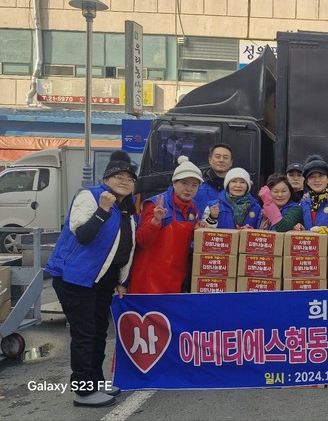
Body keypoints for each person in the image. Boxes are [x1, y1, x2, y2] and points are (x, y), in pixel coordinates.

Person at [46, 151, 137, 407]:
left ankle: (95, 381)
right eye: (118, 176)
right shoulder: (90, 196)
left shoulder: (126, 210)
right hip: (76, 279)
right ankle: (83, 391)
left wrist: (122, 280)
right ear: (106, 179)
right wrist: (103, 209)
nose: (124, 181)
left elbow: (125, 249)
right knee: (85, 335)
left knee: (98, 333)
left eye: (129, 178)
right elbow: (84, 236)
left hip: (103, 281)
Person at [129, 156, 203, 294]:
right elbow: (142, 241)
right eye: (184, 183)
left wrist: (197, 232)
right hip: (149, 277)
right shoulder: (155, 204)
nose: (189, 189)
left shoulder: (194, 207)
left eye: (194, 185)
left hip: (177, 275)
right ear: (174, 183)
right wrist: (155, 221)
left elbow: (187, 243)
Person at [193, 143, 233, 212]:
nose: (221, 160)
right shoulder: (197, 185)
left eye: (225, 157)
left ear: (231, 162)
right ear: (210, 160)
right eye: (218, 157)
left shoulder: (238, 187)